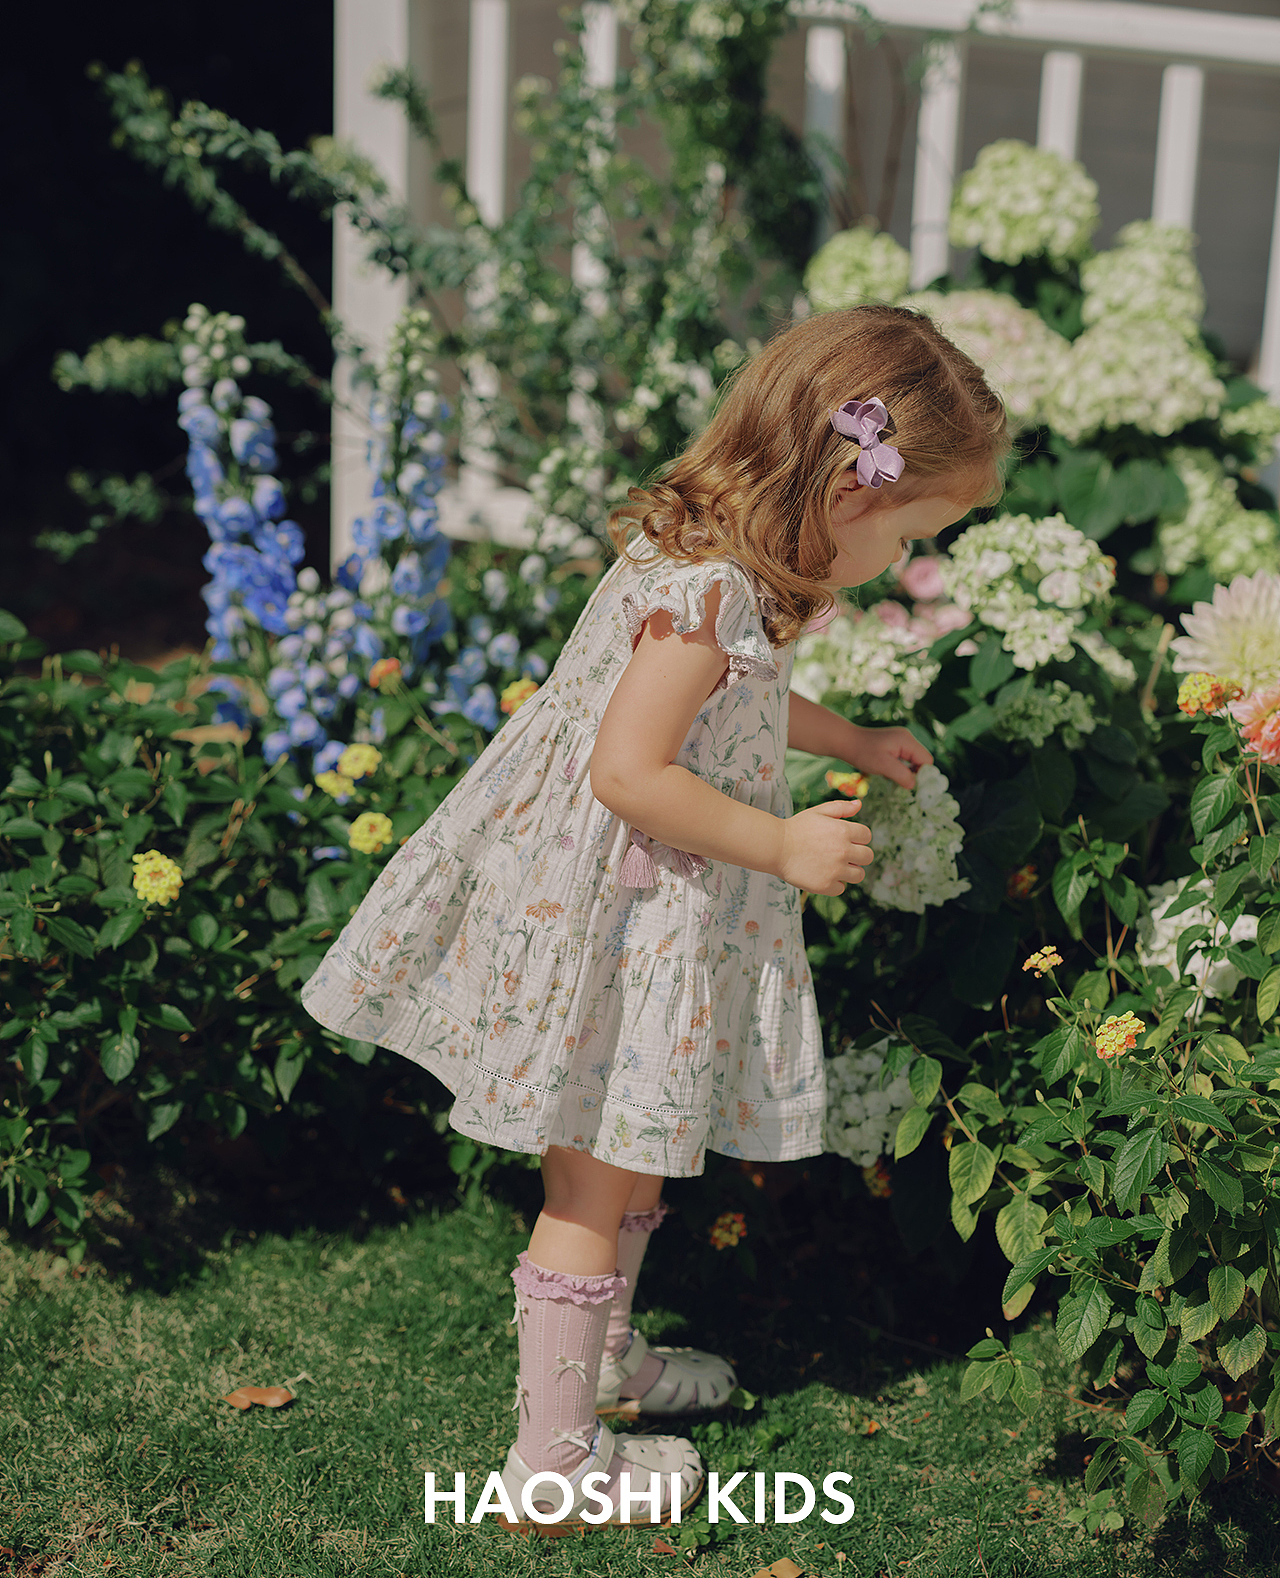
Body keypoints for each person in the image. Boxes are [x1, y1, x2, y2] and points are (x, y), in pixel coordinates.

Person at [301, 303, 1010, 1531]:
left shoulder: (712, 567)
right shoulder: (705, 594)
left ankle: (600, 1365)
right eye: (910, 534)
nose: (901, 559)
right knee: (589, 1180)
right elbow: (630, 770)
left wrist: (845, 737)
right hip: (618, 917)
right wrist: (781, 842)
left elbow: (736, 705)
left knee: (624, 1148)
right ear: (851, 483)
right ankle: (552, 1465)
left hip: (632, 907)